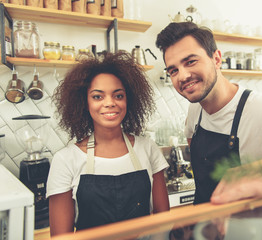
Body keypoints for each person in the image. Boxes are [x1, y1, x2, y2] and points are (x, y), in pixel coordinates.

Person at [156, 22, 262, 205]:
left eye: (190, 62)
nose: (183, 76)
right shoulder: (195, 109)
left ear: (217, 59)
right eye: (173, 70)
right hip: (201, 227)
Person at [46, 51, 170, 236]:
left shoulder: (148, 148)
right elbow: (61, 237)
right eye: (98, 96)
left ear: (129, 100)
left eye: (118, 95)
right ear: (84, 102)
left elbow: (163, 219)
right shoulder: (65, 159)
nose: (110, 103)